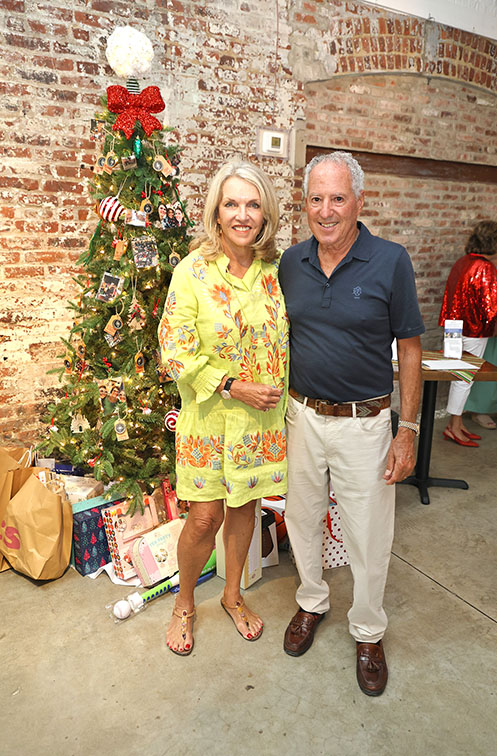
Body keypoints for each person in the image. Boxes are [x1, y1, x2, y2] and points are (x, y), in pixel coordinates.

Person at [278, 150, 424, 697]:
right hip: (301, 417)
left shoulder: (390, 261)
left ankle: (367, 631)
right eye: (315, 199)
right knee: (302, 518)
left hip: (365, 424)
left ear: (359, 201)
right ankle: (312, 602)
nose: (326, 210)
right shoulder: (291, 263)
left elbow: (410, 349)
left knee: (368, 534)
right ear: (305, 204)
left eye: (337, 198)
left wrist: (407, 428)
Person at [158, 160, 289, 656]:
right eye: (231, 204)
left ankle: (233, 596)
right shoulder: (192, 271)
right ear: (216, 211)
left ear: (265, 214)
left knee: (244, 511)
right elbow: (173, 350)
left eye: (253, 204)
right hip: (210, 420)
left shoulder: (276, 274)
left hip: (260, 424)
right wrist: (232, 385)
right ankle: (184, 603)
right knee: (203, 519)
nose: (242, 215)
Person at [439, 221, 497, 446]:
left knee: (458, 376)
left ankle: (456, 424)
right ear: (494, 242)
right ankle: (453, 427)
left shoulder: (463, 261)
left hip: (453, 327)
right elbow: (490, 309)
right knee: (464, 379)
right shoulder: (485, 267)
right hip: (473, 331)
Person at [464, 260, 497, 428]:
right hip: (492, 321)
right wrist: (492, 325)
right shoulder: (486, 265)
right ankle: (479, 408)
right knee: (489, 361)